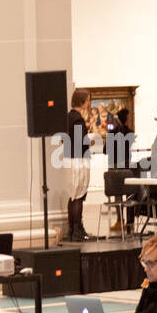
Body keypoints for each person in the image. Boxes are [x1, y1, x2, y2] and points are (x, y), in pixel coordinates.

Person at [61, 88, 94, 242]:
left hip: (69, 159)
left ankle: (72, 230)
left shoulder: (67, 117)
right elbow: (82, 141)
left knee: (73, 196)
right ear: (83, 101)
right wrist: (91, 140)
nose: (89, 103)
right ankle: (78, 231)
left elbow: (64, 140)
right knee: (79, 196)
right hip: (79, 160)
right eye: (88, 100)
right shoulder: (78, 119)